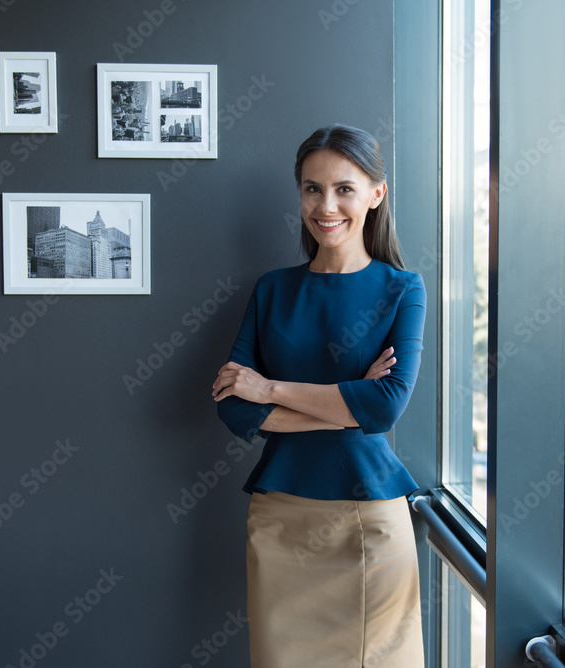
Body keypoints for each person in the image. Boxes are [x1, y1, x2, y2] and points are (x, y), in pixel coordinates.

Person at [211, 124, 426, 667]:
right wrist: (346, 407)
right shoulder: (273, 289)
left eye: (344, 188)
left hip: (370, 523)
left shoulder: (403, 289)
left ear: (376, 194)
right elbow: (235, 407)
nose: (325, 205)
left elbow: (386, 405)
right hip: (280, 522)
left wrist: (272, 390)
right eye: (312, 188)